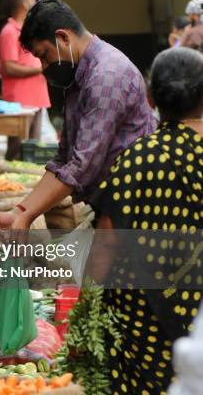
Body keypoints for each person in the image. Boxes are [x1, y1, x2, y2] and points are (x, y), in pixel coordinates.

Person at [89, 47, 203, 394]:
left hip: (138, 321)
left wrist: (84, 309)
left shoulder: (132, 161)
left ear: (152, 97)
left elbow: (105, 245)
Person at [0, 0, 156, 230]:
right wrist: (20, 212)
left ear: (63, 38)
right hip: (111, 206)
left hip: (134, 210)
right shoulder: (79, 76)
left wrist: (26, 216)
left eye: (44, 55)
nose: (44, 67)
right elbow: (64, 157)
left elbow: (81, 165)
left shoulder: (106, 76)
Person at [0, 0, 51, 159]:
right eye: (33, 0)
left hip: (36, 98)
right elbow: (9, 68)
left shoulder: (27, 30)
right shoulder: (9, 32)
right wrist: (40, 68)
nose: (36, 4)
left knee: (31, 151)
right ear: (23, 5)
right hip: (20, 101)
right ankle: (10, 184)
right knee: (17, 151)